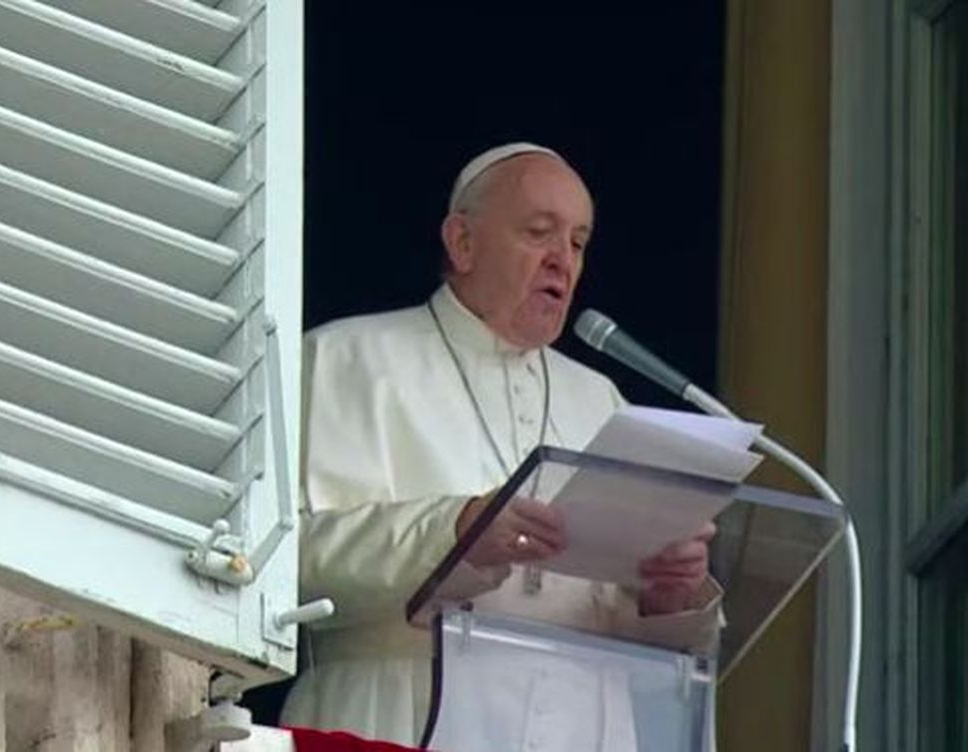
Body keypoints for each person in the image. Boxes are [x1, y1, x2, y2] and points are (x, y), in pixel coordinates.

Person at [280, 143, 722, 749]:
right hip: (397, 712)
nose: (561, 261)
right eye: (539, 233)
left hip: (583, 726)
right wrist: (453, 531)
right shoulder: (345, 360)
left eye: (578, 242)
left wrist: (670, 594)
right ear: (461, 243)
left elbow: (654, 643)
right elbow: (285, 565)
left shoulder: (602, 401)